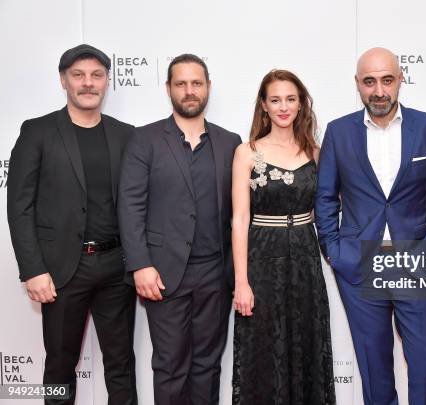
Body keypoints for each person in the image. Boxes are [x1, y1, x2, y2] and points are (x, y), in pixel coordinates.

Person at [315, 47, 426, 405]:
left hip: (415, 262)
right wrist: (335, 251)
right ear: (358, 85)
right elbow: (326, 198)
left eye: (387, 80)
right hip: (359, 264)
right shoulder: (338, 132)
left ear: (400, 79)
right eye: (369, 81)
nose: (379, 90)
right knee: (374, 366)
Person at [7, 44, 137, 405]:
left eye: (96, 75)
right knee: (60, 367)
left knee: (122, 366)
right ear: (63, 80)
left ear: (107, 82)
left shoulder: (127, 135)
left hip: (117, 268)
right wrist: (32, 270)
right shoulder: (37, 132)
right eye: (78, 75)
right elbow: (19, 207)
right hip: (62, 271)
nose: (88, 83)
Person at [118, 54, 241, 405]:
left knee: (208, 365)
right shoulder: (145, 139)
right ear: (168, 89)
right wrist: (140, 264)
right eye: (181, 83)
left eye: (196, 83)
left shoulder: (230, 141)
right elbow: (130, 205)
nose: (190, 91)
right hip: (163, 274)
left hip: (216, 274)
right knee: (171, 366)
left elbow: (238, 212)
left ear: (208, 87)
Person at [231, 69, 336, 405]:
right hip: (261, 261)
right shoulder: (247, 152)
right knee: (262, 349)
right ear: (264, 105)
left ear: (301, 104)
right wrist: (242, 282)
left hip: (305, 261)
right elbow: (239, 219)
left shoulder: (316, 153)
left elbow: (330, 211)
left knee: (306, 344)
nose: (283, 107)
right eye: (275, 100)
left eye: (290, 99)